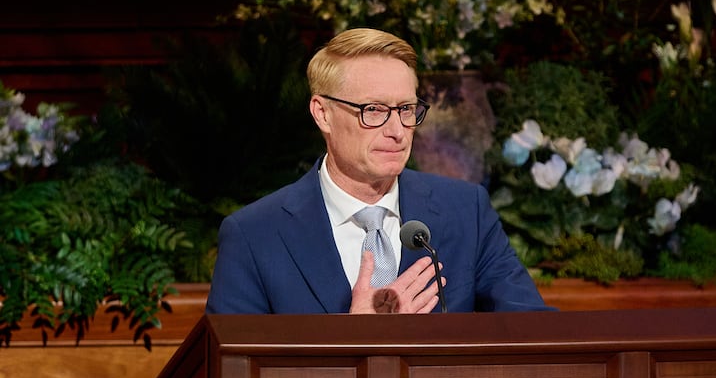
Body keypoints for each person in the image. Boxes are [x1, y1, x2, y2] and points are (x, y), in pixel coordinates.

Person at [205, 28, 554, 314]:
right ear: (322, 113)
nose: (397, 130)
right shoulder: (254, 235)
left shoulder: (467, 211)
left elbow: (532, 335)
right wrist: (352, 342)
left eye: (406, 109)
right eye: (373, 110)